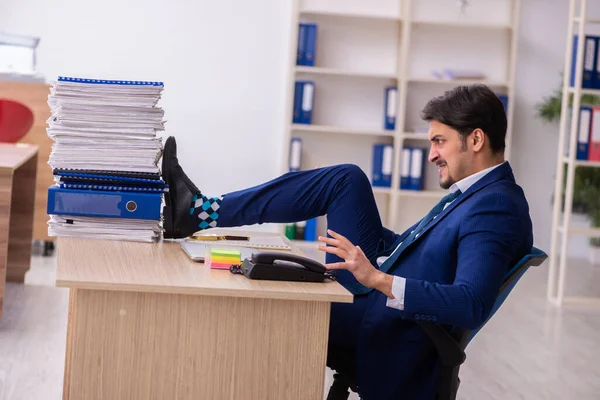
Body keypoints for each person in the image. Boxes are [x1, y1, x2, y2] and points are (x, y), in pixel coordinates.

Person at [161, 84, 533, 399]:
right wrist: (361, 243)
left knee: (265, 299)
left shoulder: (495, 208)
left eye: (440, 142)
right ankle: (199, 211)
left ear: (476, 139)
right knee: (346, 181)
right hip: (380, 304)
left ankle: (199, 213)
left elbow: (470, 303)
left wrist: (376, 279)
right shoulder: (478, 193)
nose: (432, 154)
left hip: (386, 326)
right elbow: (427, 251)